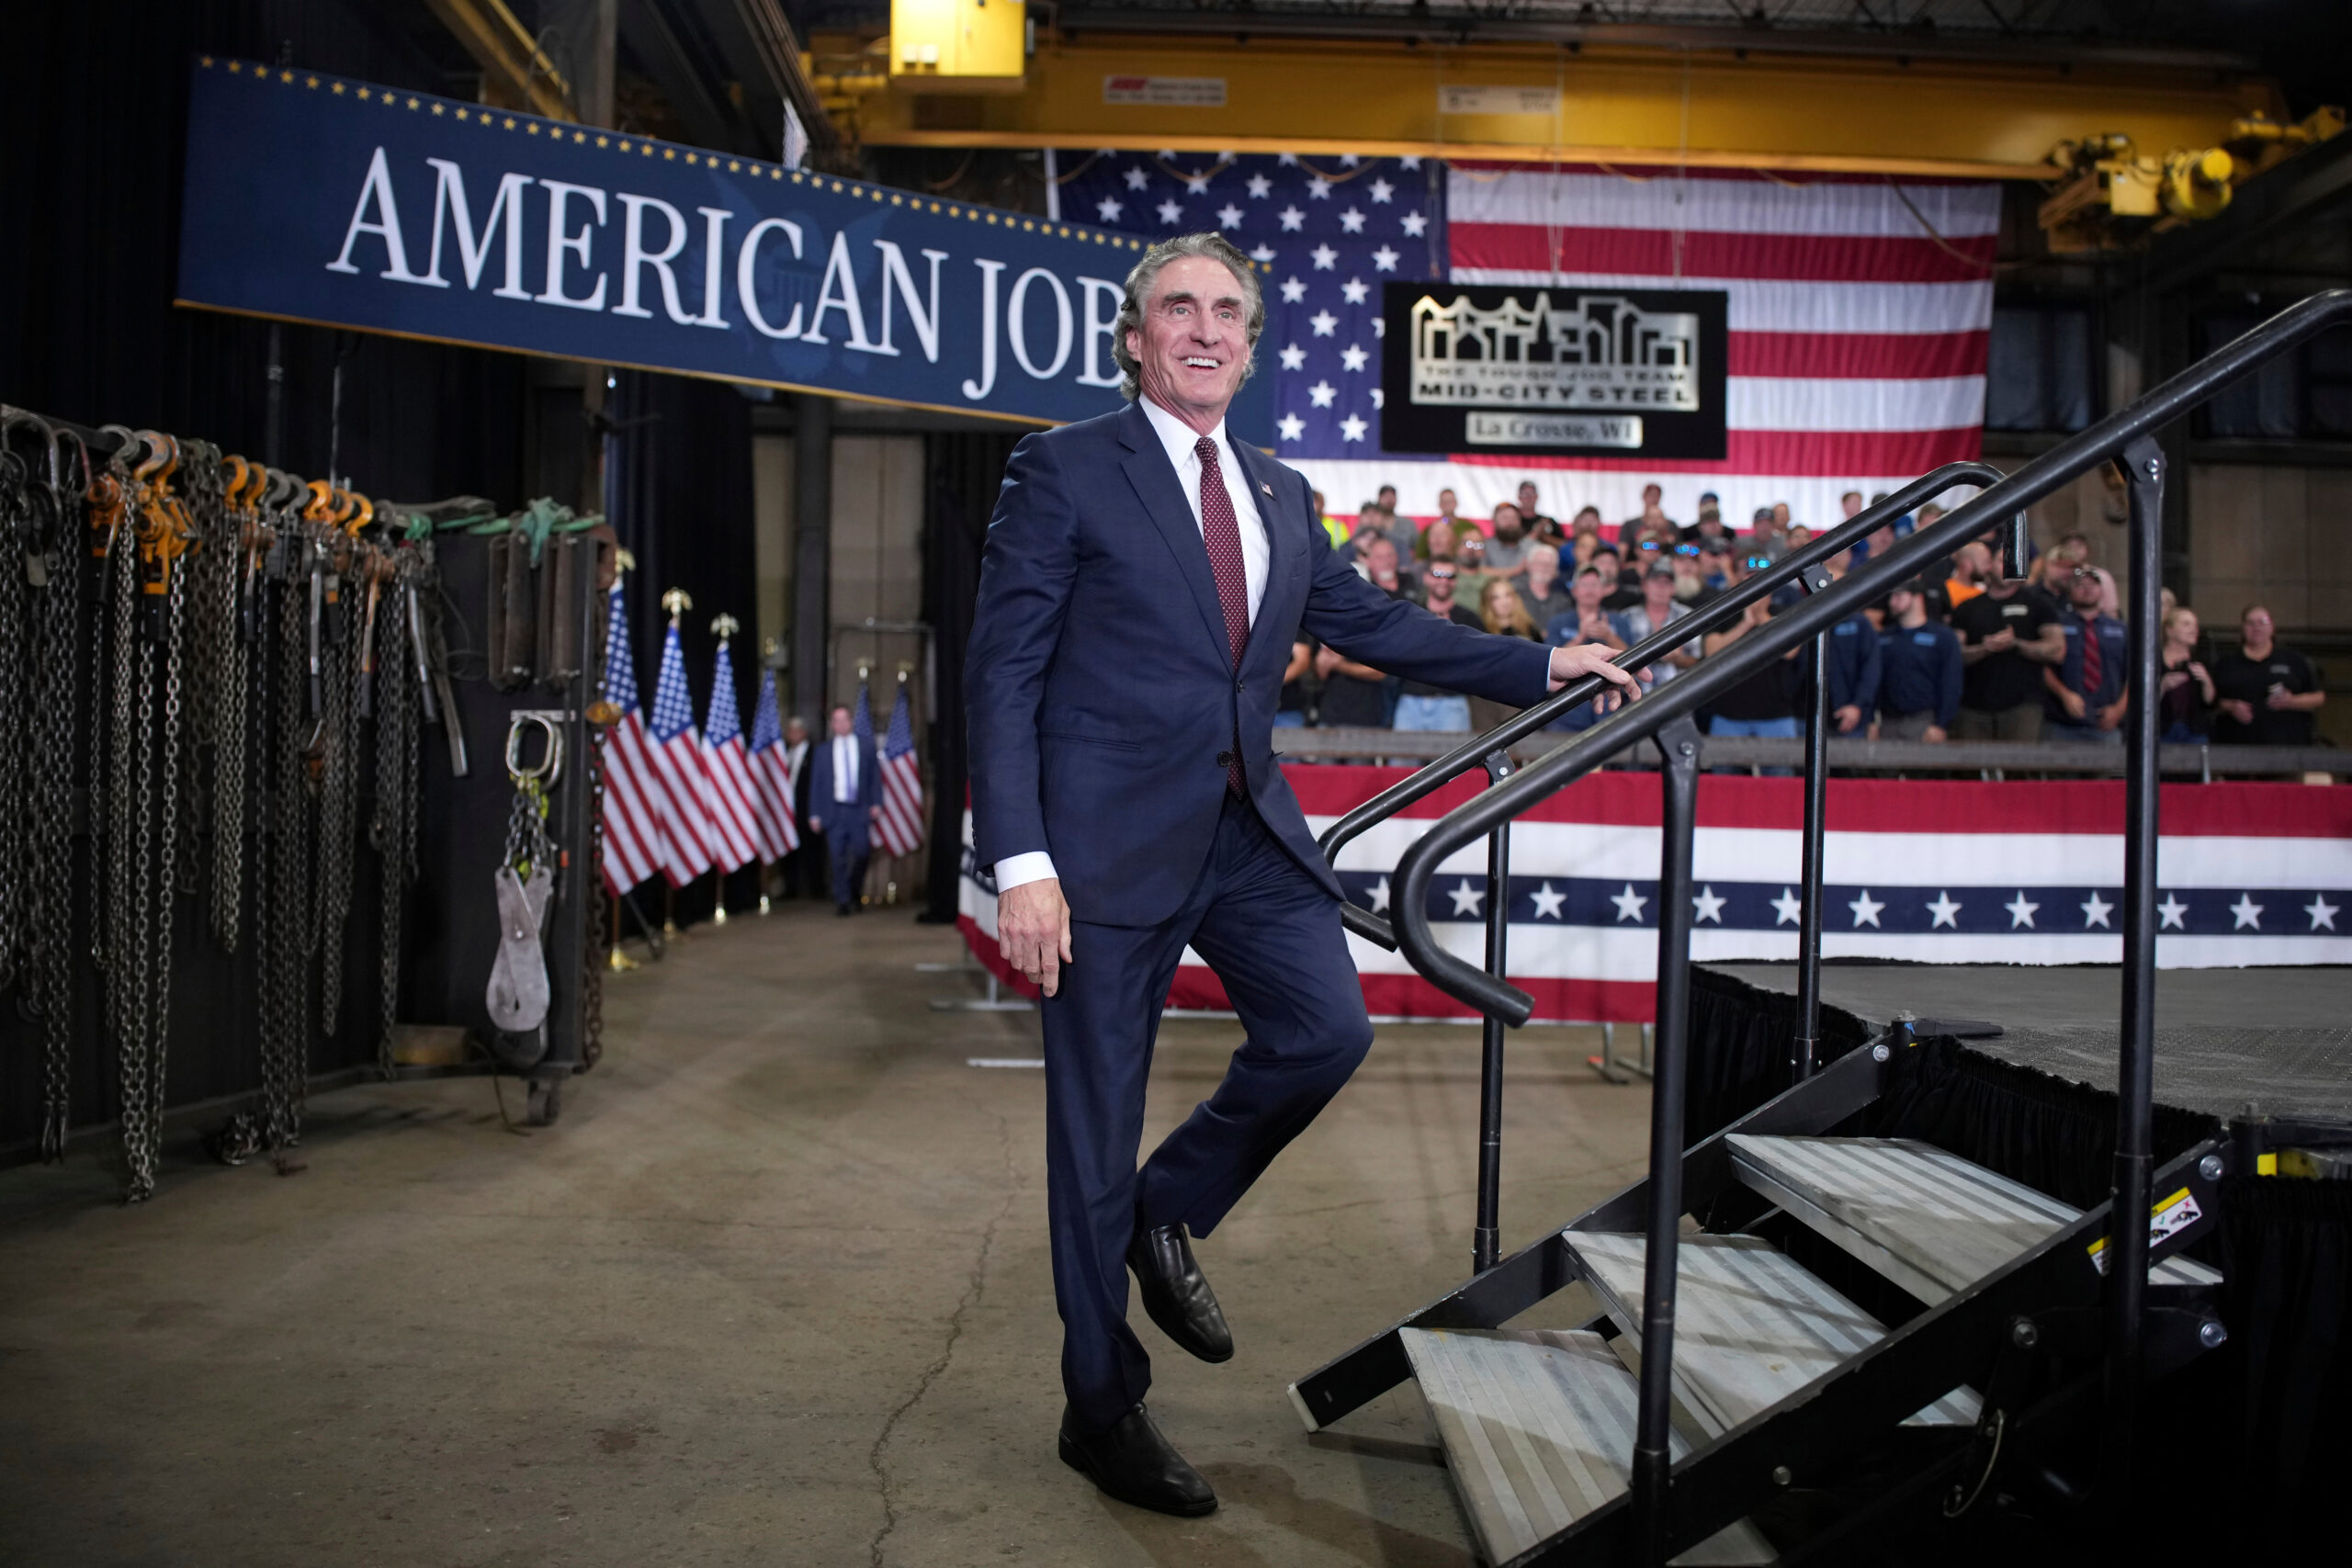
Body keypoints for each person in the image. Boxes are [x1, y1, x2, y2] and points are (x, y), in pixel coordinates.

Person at [963, 232, 1639, 1517]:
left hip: (1245, 834)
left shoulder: (1277, 488)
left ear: (1253, 344)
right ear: (1136, 335)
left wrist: (1538, 664)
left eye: (1229, 312)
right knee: (1089, 1138)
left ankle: (1166, 1208)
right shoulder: (1061, 470)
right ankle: (1099, 1406)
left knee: (1325, 1032)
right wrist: (1024, 860)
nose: (1205, 329)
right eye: (1179, 308)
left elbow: (1371, 623)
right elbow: (1001, 673)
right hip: (1098, 851)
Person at [1951, 547, 2065, 740]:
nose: (2007, 567)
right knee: (1970, 768)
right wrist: (1984, 648)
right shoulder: (1967, 607)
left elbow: (2057, 650)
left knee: (2020, 767)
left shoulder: (2038, 604)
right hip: (1973, 706)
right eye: (2001, 561)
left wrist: (2016, 644)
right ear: (1989, 566)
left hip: (2023, 705)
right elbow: (1954, 655)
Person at [2211, 604, 2325, 746]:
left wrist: (2291, 701)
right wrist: (2231, 706)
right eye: (2250, 623)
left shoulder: (2293, 660)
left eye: (2263, 622)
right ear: (2242, 628)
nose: (2256, 627)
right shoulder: (2226, 663)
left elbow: (2318, 697)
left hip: (2288, 746)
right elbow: (2210, 702)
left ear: (2272, 627)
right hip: (2236, 747)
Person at [806, 704, 881, 914]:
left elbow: (875, 777)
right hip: (834, 811)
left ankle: (855, 890)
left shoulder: (865, 746)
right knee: (837, 857)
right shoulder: (823, 751)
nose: (840, 724)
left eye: (844, 719)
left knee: (862, 852)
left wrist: (877, 802)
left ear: (851, 721)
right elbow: (816, 784)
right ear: (832, 724)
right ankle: (843, 900)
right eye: (836, 720)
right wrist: (814, 813)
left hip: (859, 809)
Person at [1394, 562, 1485, 732]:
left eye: (1449, 576)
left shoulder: (1470, 620)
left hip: (1452, 701)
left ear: (1456, 581)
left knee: (1458, 759)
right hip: (1411, 699)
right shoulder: (1409, 613)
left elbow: (1478, 664)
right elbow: (1399, 654)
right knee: (1400, 758)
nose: (1443, 581)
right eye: (1437, 574)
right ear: (1426, 577)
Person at [2043, 563, 2129, 742]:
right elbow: (2043, 667)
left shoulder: (2120, 629)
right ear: (2070, 591)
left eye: (2092, 585)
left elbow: (2135, 674)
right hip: (2063, 723)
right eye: (2080, 585)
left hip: (2107, 723)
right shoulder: (2055, 624)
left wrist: (2119, 710)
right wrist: (2064, 694)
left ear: (2101, 590)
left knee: (2110, 770)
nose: (2087, 590)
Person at [1544, 565, 1629, 734]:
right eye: (1584, 585)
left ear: (1604, 590)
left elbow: (1632, 659)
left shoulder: (1618, 621)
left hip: (1611, 708)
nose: (1589, 590)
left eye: (1595, 585)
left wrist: (1609, 636)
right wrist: (1580, 636)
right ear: (1574, 591)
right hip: (1567, 710)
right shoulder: (1558, 622)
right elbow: (1549, 663)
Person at [1874, 581, 1963, 740]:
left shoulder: (1943, 637)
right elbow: (1873, 680)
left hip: (1924, 721)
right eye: (1891, 596)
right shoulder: (1884, 637)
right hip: (1888, 720)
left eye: (1898, 596)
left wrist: (1941, 724)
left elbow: (1951, 682)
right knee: (1886, 765)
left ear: (1918, 598)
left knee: (1920, 765)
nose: (1891, 602)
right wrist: (1870, 720)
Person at [1471, 577, 1543, 731]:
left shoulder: (1530, 630)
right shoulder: (1478, 630)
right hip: (1486, 700)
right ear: (1488, 602)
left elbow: (1541, 667)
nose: (1504, 601)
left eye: (1507, 595)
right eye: (1496, 597)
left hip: (1521, 698)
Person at [1611, 562, 1700, 688]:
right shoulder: (1627, 616)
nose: (1661, 587)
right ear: (1644, 586)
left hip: (1679, 692)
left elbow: (1697, 661)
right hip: (1634, 694)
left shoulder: (1688, 616)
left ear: (1673, 588)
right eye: (1655, 581)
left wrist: (1677, 659)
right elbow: (1616, 659)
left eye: (1666, 582)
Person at [2157, 605, 2215, 742]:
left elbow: (2210, 701)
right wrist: (2162, 686)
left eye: (2195, 625)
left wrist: (2206, 680)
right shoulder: (2154, 661)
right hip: (2161, 729)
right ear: (2169, 630)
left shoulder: (2200, 661)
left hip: (2194, 731)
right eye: (2186, 624)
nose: (2193, 630)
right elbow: (2141, 702)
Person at [776, 715, 816, 898]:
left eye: (797, 731)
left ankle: (815, 889)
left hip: (806, 811)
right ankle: (790, 888)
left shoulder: (814, 754)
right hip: (786, 812)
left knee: (811, 851)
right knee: (788, 852)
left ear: (804, 733)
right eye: (790, 731)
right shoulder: (783, 752)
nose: (793, 735)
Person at [1516, 543, 1571, 629]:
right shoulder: (1514, 595)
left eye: (1549, 564)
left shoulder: (1564, 602)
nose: (1544, 567)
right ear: (1528, 565)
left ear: (1556, 571)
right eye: (1539, 563)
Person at [1486, 502, 1532, 575]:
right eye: (1505, 518)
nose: (1510, 522)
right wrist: (1517, 569)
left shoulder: (1532, 547)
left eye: (1514, 518)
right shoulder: (1485, 547)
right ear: (1494, 522)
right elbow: (1478, 572)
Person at [1515, 479, 1559, 544]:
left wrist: (1545, 536)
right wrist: (1536, 532)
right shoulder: (1511, 522)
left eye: (1532, 493)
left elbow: (1564, 546)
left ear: (1536, 496)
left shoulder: (1548, 521)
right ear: (1519, 497)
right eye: (1524, 493)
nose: (1529, 497)